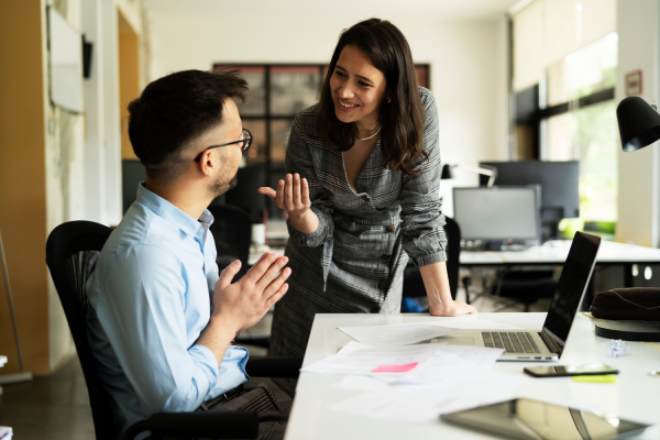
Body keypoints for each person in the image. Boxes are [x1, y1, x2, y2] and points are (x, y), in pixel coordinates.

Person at [86, 70, 292, 438]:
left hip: (225, 401)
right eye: (240, 141)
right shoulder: (146, 255)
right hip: (193, 427)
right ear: (209, 160)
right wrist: (227, 321)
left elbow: (198, 339)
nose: (245, 154)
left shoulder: (191, 231)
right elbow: (173, 401)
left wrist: (237, 310)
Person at [260, 18, 477, 362]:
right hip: (312, 277)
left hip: (378, 269)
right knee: (296, 385)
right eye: (340, 74)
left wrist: (443, 304)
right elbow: (319, 223)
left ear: (390, 90)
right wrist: (301, 215)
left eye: (362, 83)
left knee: (367, 378)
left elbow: (422, 213)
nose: (344, 92)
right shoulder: (309, 127)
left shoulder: (419, 112)